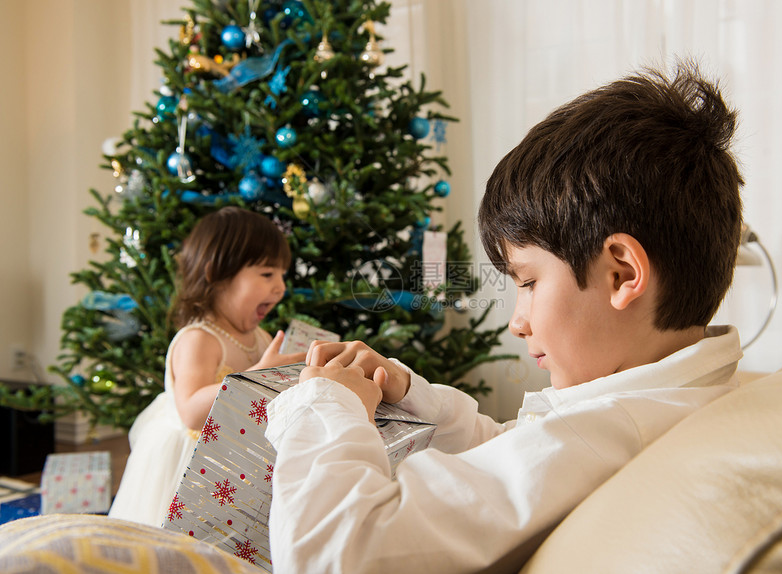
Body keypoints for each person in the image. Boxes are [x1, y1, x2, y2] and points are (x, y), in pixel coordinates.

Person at [264, 62, 745, 573]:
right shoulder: (652, 404)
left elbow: (330, 554)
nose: (518, 323)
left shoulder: (603, 433)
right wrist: (408, 392)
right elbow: (519, 453)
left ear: (622, 274)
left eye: (530, 282)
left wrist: (325, 405)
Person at [109, 206, 305, 527]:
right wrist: (256, 377)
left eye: (282, 275)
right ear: (218, 274)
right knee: (188, 542)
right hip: (192, 463)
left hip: (237, 456)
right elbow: (190, 409)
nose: (280, 287)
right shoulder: (200, 339)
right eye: (268, 274)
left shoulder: (258, 335)